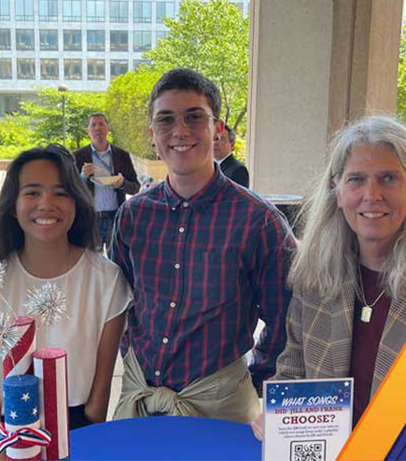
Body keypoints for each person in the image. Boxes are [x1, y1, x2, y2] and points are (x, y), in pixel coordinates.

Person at [110, 68, 295, 423]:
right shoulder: (132, 216)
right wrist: (131, 353)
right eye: (166, 120)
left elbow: (284, 317)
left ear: (218, 128)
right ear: (153, 134)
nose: (180, 131)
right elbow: (120, 301)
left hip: (220, 404)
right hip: (140, 396)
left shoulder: (260, 221)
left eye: (195, 117)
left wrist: (252, 379)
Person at [251, 115, 406, 439]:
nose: (371, 194)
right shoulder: (314, 278)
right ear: (337, 189)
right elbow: (292, 373)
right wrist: (276, 415)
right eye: (356, 179)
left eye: (389, 178)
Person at [0, 144, 131, 450]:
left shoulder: (106, 280)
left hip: (76, 432)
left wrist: (85, 431)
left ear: (77, 202)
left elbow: (101, 384)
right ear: (12, 205)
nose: (46, 204)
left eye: (61, 193)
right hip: (2, 433)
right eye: (32, 192)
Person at [73, 113, 140, 252]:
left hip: (115, 217)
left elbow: (135, 188)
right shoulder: (78, 156)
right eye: (93, 125)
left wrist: (122, 184)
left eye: (101, 124)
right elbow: (69, 188)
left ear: (108, 128)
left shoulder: (122, 155)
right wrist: (82, 176)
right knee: (91, 264)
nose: (98, 128)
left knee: (116, 262)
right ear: (88, 130)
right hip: (90, 219)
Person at [214, 124, 249, 188]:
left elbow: (239, 196)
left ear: (232, 144)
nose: (215, 143)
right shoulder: (206, 168)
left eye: (221, 139)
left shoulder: (238, 170)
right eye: (214, 139)